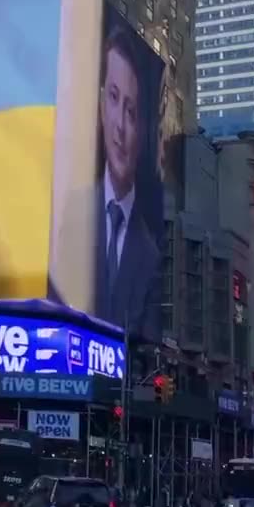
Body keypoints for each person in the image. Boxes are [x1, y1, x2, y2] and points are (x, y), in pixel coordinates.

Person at [91, 26, 161, 339]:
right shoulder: (68, 215)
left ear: (143, 129)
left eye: (131, 112)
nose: (120, 124)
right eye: (113, 98)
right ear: (100, 106)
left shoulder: (151, 253)